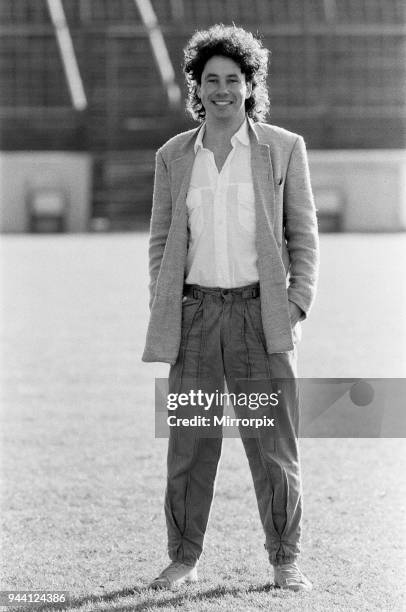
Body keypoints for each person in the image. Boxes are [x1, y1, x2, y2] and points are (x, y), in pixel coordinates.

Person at [142, 24, 319, 592]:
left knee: (272, 446)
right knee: (190, 448)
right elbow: (161, 238)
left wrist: (295, 304)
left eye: (233, 80)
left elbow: (303, 235)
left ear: (250, 85)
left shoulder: (282, 148)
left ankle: (285, 559)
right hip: (194, 321)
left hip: (258, 317)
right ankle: (183, 558)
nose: (222, 89)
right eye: (211, 79)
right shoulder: (173, 155)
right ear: (197, 86)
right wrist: (164, 300)